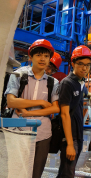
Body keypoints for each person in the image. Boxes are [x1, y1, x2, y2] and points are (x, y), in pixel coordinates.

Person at [5, 39, 60, 178]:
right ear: (30, 57)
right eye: (38, 55)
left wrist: (28, 111)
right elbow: (11, 102)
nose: (43, 59)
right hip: (18, 130)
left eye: (46, 56)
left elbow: (55, 109)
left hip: (43, 134)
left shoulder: (53, 82)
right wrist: (41, 102)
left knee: (36, 173)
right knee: (15, 172)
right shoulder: (18, 75)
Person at [57, 45, 91, 178]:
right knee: (68, 173)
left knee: (65, 173)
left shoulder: (80, 83)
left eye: (88, 65)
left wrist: (90, 95)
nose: (85, 68)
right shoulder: (67, 83)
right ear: (72, 63)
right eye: (81, 64)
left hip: (78, 135)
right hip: (69, 137)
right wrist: (70, 144)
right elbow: (64, 114)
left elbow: (83, 93)